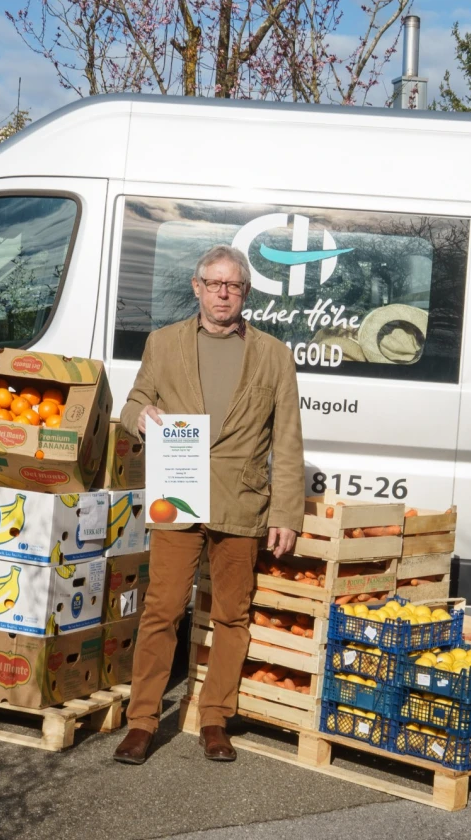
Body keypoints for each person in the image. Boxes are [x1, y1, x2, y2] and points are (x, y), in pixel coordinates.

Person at [112, 244, 305, 765]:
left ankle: (215, 718)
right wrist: (143, 417)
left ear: (245, 292)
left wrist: (287, 514)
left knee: (231, 614)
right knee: (162, 609)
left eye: (234, 285)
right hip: (179, 495)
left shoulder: (273, 354)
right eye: (214, 283)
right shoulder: (163, 342)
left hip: (241, 500)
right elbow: (131, 404)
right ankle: (143, 720)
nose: (224, 293)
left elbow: (286, 439)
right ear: (197, 287)